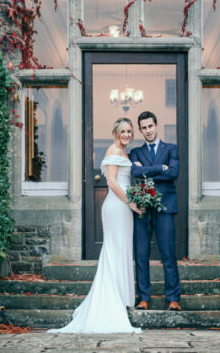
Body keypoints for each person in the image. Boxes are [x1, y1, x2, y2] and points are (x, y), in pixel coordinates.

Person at [48, 118, 142, 334]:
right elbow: (111, 181)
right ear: (115, 132)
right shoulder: (113, 150)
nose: (126, 135)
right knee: (114, 249)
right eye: (123, 131)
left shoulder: (126, 153)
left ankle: (121, 297)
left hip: (125, 205)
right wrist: (130, 202)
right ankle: (111, 300)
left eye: (129, 131)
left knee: (122, 249)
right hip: (117, 206)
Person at [129, 111, 182, 311]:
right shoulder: (135, 152)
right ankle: (143, 298)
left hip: (165, 207)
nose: (148, 131)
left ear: (156, 125)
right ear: (140, 130)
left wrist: (147, 171)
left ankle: (173, 299)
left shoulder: (171, 149)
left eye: (150, 126)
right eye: (144, 128)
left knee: (168, 254)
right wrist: (161, 167)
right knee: (141, 254)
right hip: (142, 207)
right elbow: (135, 172)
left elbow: (174, 173)